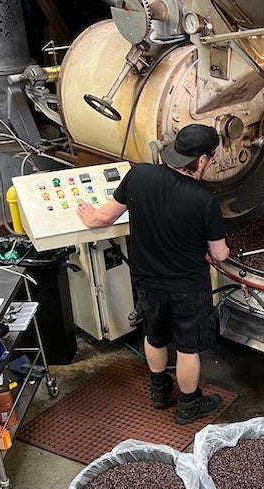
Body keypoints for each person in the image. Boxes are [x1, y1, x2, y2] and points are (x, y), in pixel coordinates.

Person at [75, 124, 230, 424]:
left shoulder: (139, 175)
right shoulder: (204, 199)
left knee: (154, 336)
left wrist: (87, 216)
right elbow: (220, 254)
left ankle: (159, 391)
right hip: (188, 286)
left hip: (147, 281)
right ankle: (188, 406)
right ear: (200, 161)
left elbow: (104, 217)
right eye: (210, 158)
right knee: (187, 347)